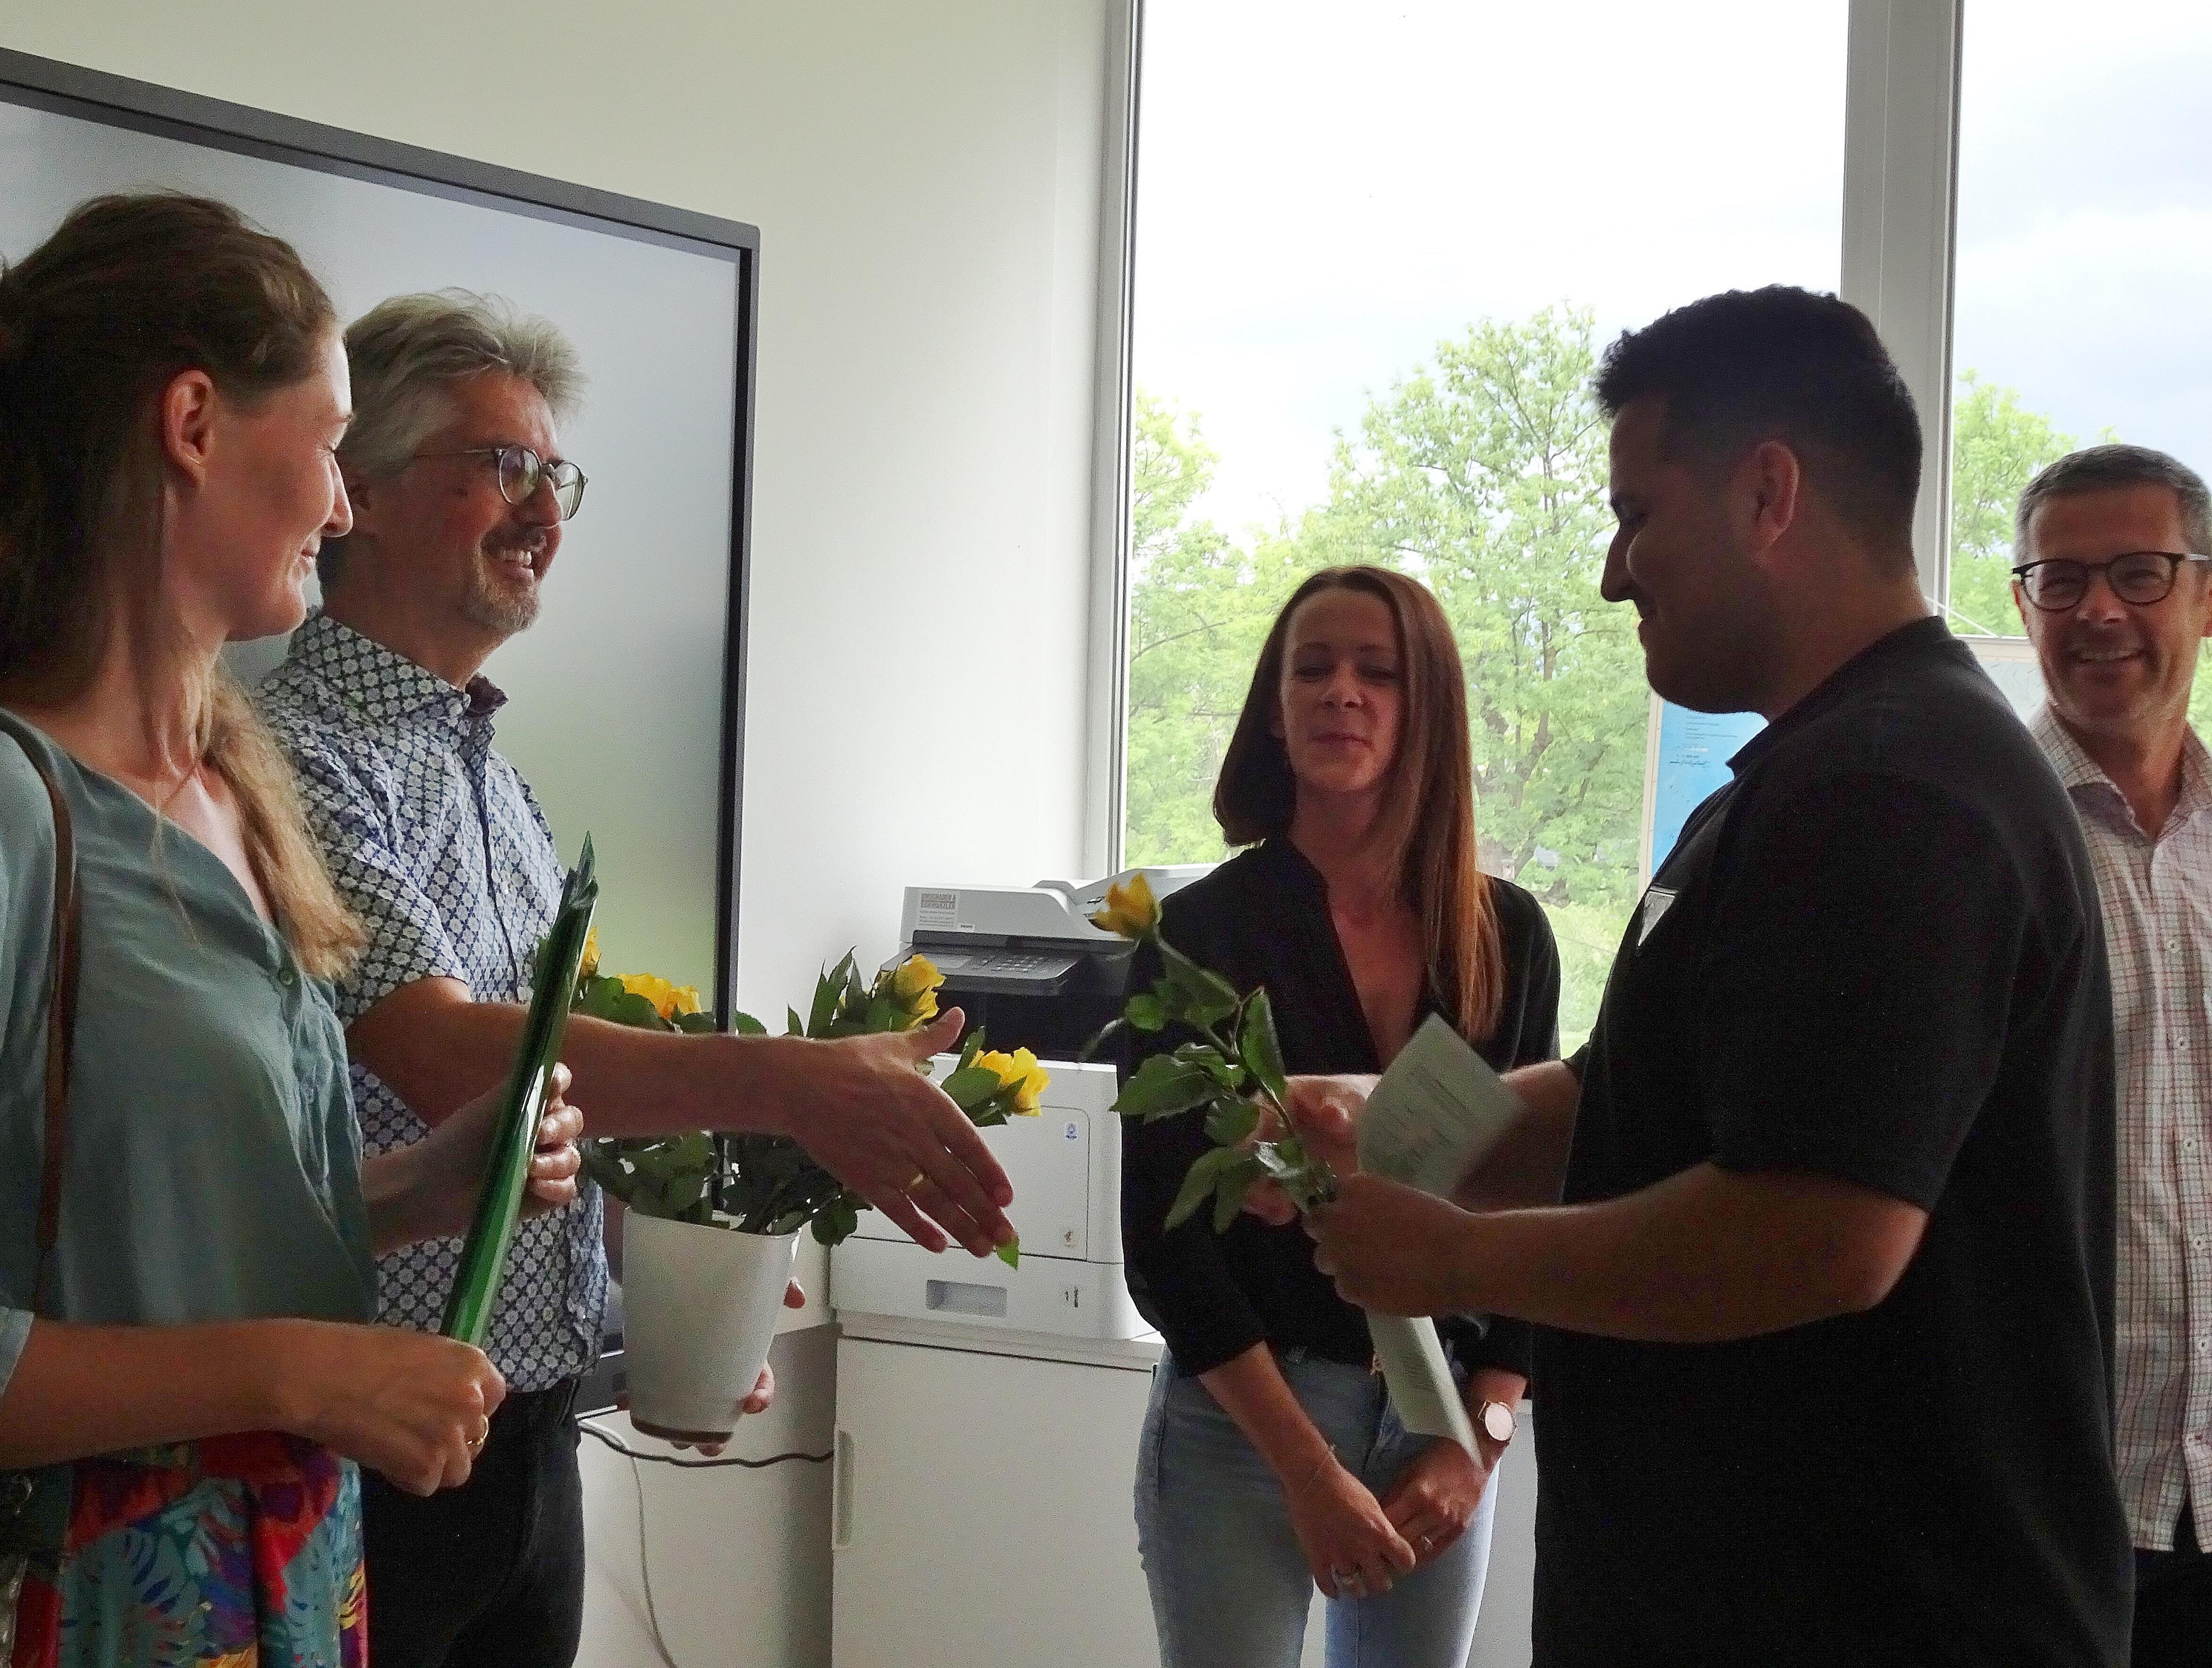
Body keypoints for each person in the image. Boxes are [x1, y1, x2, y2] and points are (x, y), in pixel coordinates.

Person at [1292, 288, 2132, 1665]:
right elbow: (1628, 1101)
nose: (1612, 573)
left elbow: (1819, 1230)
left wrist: (1450, 1256)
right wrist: (1383, 1129)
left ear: (1764, 495)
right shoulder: (1791, 782)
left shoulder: (1892, 790)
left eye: (1635, 514)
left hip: (1874, 1614)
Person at [255, 289, 1017, 1668]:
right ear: (357, 487)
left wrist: (671, 1292)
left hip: (534, 1437)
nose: (543, 512)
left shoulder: (494, 778)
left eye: (558, 478)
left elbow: (553, 1103)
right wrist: (787, 1086)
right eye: (504, 465)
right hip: (370, 1441)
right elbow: (439, 1057)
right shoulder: (291, 753)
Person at [0, 194, 586, 1666]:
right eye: (331, 445)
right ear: (194, 425)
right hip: (80, 1605)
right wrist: (293, 1373)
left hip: (289, 1574)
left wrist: (418, 1188)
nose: (339, 508)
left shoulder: (233, 790)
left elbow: (148, 1229)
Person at [1122, 565, 1560, 1668]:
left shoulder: (1508, 936)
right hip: (1244, 1424)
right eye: (1310, 669)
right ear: (1274, 710)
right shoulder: (1197, 937)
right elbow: (1165, 1246)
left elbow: (1541, 1205)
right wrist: (1307, 1473)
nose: (1340, 693)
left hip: (1438, 1425)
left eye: (1378, 672)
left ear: (1428, 707)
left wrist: (1477, 1443)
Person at [2011, 443, 2212, 1665]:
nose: (2097, 611)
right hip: (2044, 1505)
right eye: (2061, 579)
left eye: (2139, 574)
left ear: (2206, 596)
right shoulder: (1977, 835)